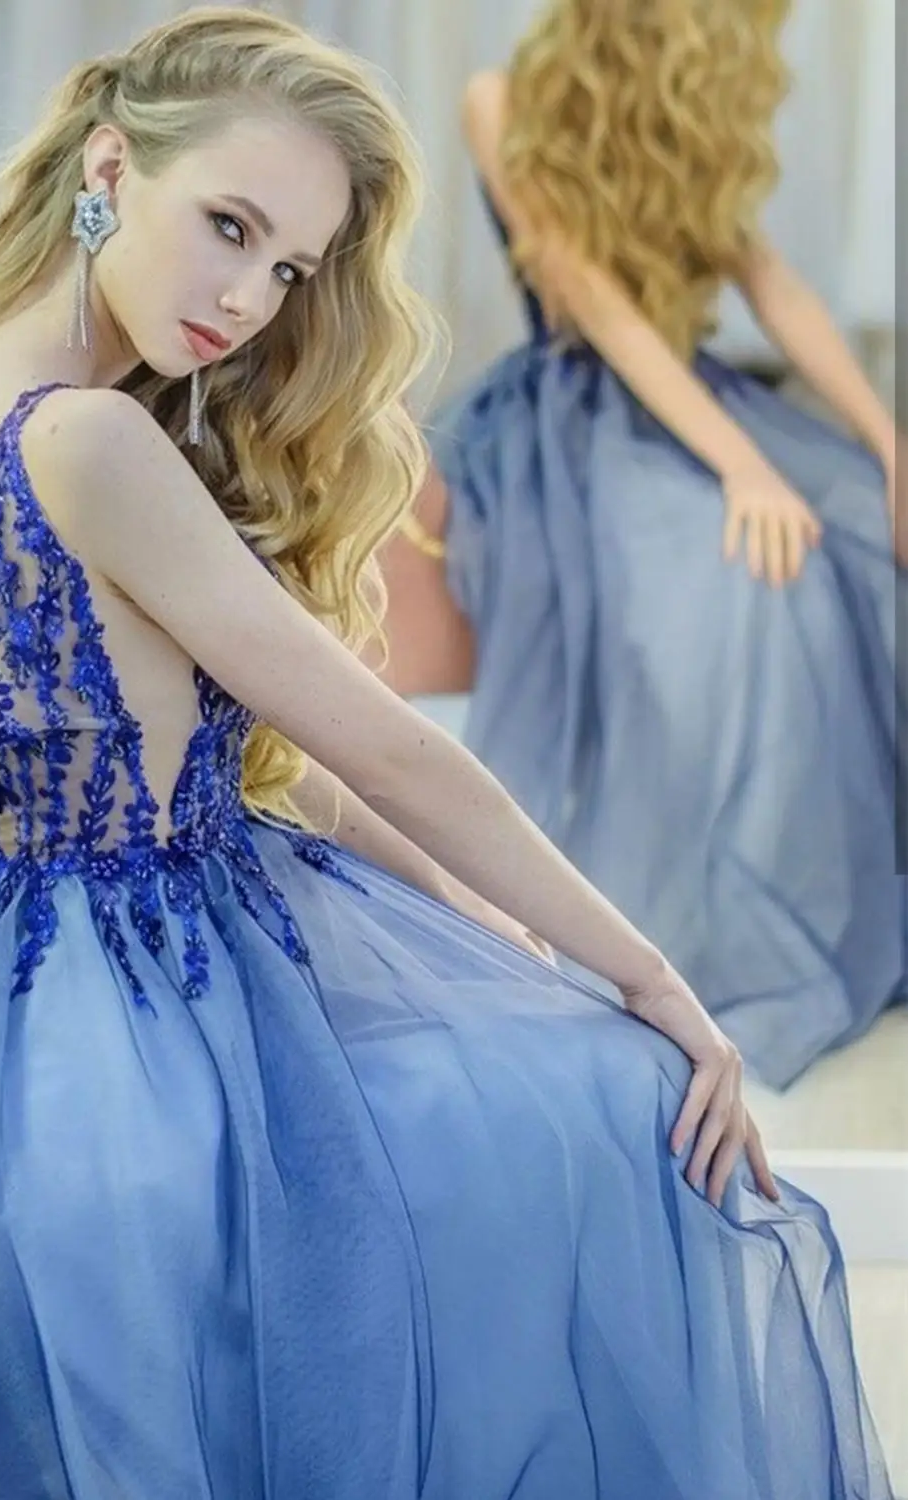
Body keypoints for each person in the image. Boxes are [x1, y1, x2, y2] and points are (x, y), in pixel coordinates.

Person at [0, 9, 889, 1497]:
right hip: (122, 993)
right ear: (109, 167)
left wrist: (469, 908)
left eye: (289, 268)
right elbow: (392, 752)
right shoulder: (90, 441)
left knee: (527, 1058)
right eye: (227, 226)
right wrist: (653, 980)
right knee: (609, 1107)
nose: (247, 300)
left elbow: (203, 750)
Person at [379, 0, 904, 1090]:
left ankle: (817, 884)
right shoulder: (499, 102)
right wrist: (741, 465)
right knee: (732, 581)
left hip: (692, 400)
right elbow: (599, 309)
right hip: (577, 418)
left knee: (857, 526)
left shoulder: (688, 116)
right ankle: (679, 918)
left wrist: (890, 446)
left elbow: (775, 289)